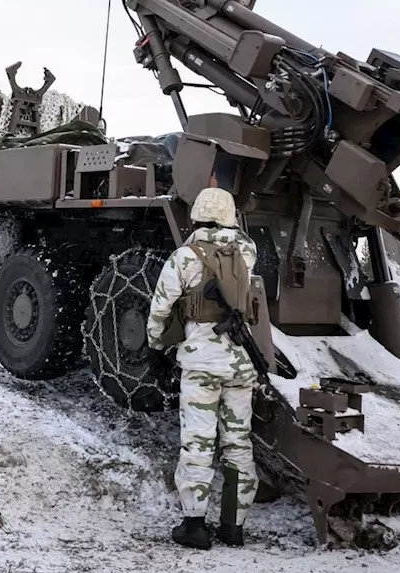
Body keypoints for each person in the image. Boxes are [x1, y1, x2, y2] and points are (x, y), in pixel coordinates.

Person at [145, 186, 261, 549]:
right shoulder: (247, 251)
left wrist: (154, 344)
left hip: (201, 366)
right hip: (240, 365)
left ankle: (194, 525)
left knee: (198, 443)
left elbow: (161, 308)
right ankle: (233, 526)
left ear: (196, 215)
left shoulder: (184, 257)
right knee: (238, 445)